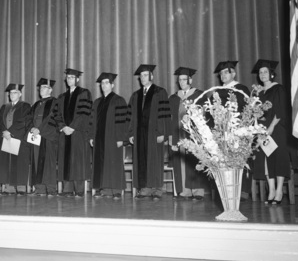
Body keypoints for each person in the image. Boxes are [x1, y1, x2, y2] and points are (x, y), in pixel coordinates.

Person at [128, 64, 171, 200]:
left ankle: (157, 189)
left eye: (145, 75)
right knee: (141, 160)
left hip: (154, 133)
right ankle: (145, 188)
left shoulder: (160, 92)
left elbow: (164, 114)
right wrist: (130, 134)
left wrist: (161, 132)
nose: (142, 78)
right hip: (139, 134)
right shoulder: (136, 95)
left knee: (155, 160)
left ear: (151, 76)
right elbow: (131, 117)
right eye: (141, 76)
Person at [251, 59, 291, 204]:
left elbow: (280, 109)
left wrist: (272, 126)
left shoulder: (278, 88)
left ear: (271, 74)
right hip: (263, 128)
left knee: (279, 157)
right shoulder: (260, 92)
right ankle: (272, 190)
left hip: (277, 127)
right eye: (260, 72)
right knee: (267, 157)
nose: (262, 75)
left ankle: (279, 190)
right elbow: (257, 112)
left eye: (265, 72)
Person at [168, 67, 209, 200]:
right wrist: (171, 138)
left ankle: (197, 191)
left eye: (184, 79)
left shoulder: (199, 95)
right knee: (181, 161)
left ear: (190, 80)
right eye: (179, 80)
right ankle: (184, 190)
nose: (182, 82)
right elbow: (170, 119)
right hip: (178, 133)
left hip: (194, 134)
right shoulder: (174, 98)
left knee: (194, 159)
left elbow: (205, 114)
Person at [212, 61, 252, 200]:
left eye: (226, 72)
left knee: (239, 157)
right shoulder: (217, 91)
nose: (223, 75)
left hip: (237, 129)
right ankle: (225, 189)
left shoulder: (241, 89)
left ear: (233, 73)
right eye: (221, 73)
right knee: (223, 158)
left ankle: (242, 190)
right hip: (222, 130)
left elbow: (247, 109)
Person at [89, 72, 128, 199]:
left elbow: (123, 121)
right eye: (102, 83)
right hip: (99, 138)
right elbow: (92, 121)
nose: (104, 85)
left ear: (112, 85)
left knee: (114, 162)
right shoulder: (97, 102)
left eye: (107, 83)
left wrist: (121, 138)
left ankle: (116, 190)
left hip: (113, 137)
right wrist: (91, 137)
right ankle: (103, 188)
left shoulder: (119, 100)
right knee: (100, 163)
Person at [54, 68, 92, 198]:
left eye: (72, 77)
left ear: (77, 79)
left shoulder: (84, 93)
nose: (69, 79)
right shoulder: (61, 97)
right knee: (66, 160)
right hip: (64, 134)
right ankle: (67, 189)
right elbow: (57, 115)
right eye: (68, 77)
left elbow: (84, 113)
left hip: (78, 133)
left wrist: (73, 127)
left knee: (78, 160)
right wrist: (63, 127)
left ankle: (79, 190)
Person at [0, 83, 32, 195]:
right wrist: (4, 132)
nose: (12, 94)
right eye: (11, 92)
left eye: (15, 92)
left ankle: (20, 187)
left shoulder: (25, 106)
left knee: (20, 162)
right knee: (7, 162)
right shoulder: (4, 107)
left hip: (19, 137)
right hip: (6, 138)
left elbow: (23, 121)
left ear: (20, 94)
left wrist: (10, 131)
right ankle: (9, 187)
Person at [28, 78, 59, 197]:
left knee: (48, 162)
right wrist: (32, 128)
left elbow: (52, 119)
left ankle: (50, 189)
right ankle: (39, 188)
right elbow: (30, 118)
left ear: (50, 89)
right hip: (35, 136)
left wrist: (39, 129)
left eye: (45, 87)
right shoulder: (36, 104)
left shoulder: (55, 102)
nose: (41, 89)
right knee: (36, 161)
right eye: (40, 87)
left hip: (48, 135)